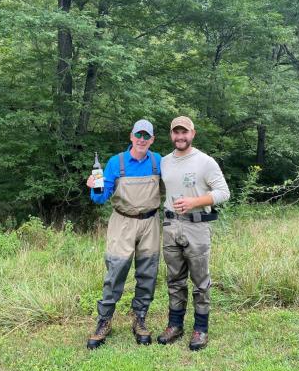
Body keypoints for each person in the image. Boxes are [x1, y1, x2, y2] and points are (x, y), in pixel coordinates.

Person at [86, 119, 161, 349]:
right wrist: (93, 186)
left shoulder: (159, 161)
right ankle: (104, 321)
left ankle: (139, 319)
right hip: (122, 222)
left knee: (148, 273)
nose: (141, 139)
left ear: (152, 140)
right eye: (138, 135)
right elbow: (99, 198)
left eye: (146, 136)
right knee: (115, 272)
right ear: (131, 136)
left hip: (151, 222)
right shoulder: (114, 163)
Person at [157, 116, 230, 351]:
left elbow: (223, 192)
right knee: (174, 279)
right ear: (171, 135)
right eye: (176, 132)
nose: (180, 136)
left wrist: (194, 201)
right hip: (170, 227)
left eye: (184, 132)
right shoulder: (165, 162)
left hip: (197, 226)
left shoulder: (205, 162)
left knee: (200, 281)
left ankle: (200, 328)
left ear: (193, 134)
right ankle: (175, 325)